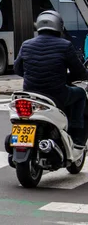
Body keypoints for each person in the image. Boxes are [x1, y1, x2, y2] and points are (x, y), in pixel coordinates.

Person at [14, 10, 88, 146]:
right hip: (56, 95)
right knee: (81, 94)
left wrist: (33, 75)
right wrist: (67, 78)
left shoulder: (26, 44)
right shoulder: (65, 45)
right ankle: (77, 133)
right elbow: (80, 73)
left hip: (30, 94)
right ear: (59, 26)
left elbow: (17, 68)